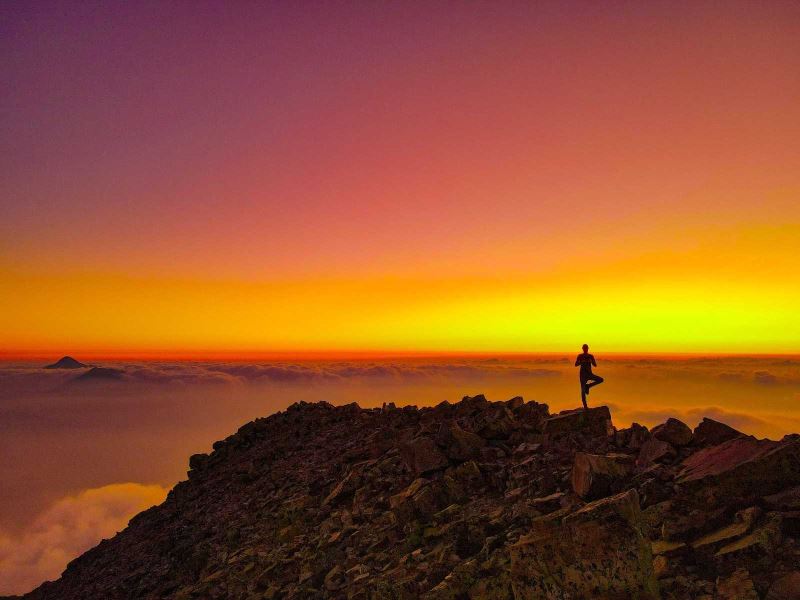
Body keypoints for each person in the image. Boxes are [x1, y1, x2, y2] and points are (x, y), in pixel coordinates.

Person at [575, 344, 603, 409]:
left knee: (601, 380)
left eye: (586, 348)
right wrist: (581, 362)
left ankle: (588, 386)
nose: (585, 349)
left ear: (588, 349)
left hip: (589, 374)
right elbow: (576, 364)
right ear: (583, 349)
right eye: (584, 348)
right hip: (582, 375)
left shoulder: (590, 356)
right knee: (583, 391)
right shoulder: (580, 356)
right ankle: (585, 406)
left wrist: (591, 361)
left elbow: (595, 365)